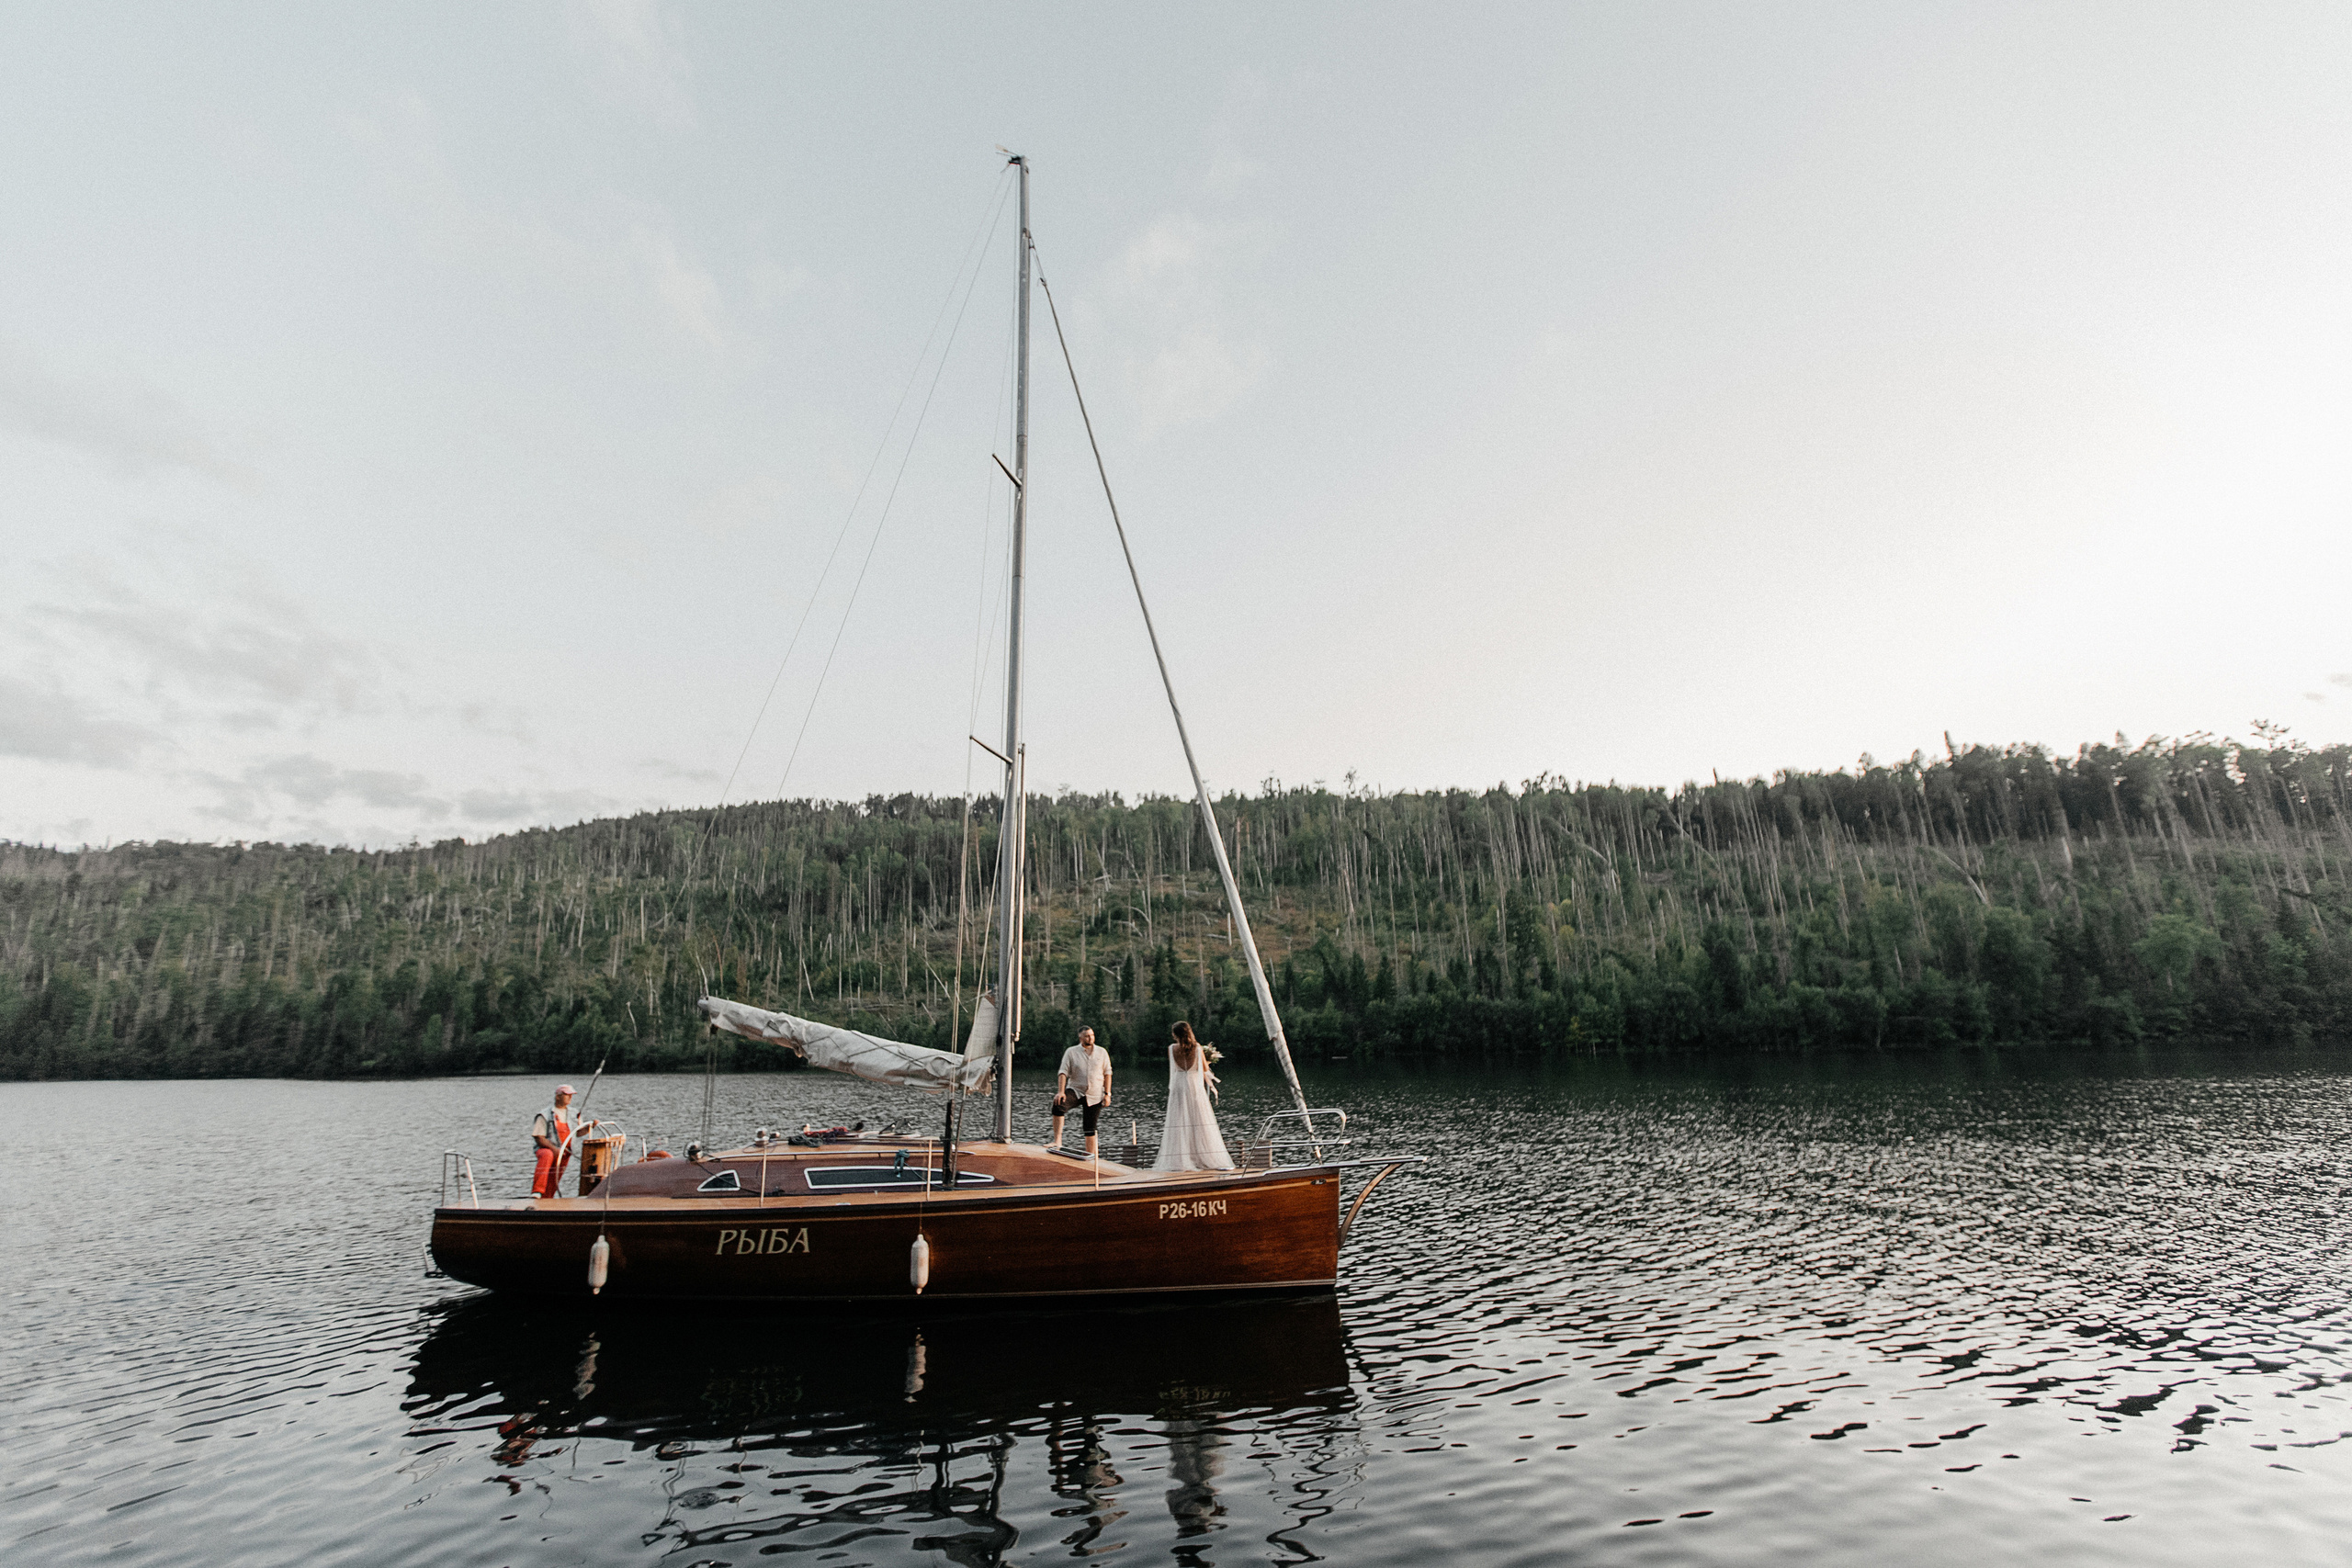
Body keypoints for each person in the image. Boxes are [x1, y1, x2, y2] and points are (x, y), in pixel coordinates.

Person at [1153, 1021, 1234, 1171]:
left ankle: (1181, 1157)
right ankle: (1202, 1155)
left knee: (1179, 1120)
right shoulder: (1197, 1049)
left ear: (1176, 1035)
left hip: (1178, 1085)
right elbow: (1204, 1068)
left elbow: (1175, 1068)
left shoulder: (1171, 1049)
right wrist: (1208, 1058)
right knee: (1199, 1119)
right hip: (1193, 1085)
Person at [1052, 1027, 1113, 1156]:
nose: (1090, 1038)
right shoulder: (1072, 1052)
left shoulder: (1102, 1052)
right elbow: (1063, 1072)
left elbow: (1108, 1073)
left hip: (1095, 1093)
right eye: (1087, 1036)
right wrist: (1061, 1091)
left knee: (1090, 1128)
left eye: (1092, 1035)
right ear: (1081, 1038)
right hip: (1076, 1090)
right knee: (1058, 1105)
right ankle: (1057, 1141)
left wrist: (1108, 1094)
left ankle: (1091, 1156)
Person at [530, 1084, 576, 1198]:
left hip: (565, 1153)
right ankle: (537, 1191)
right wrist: (554, 1149)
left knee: (554, 1179)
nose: (570, 1097)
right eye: (567, 1095)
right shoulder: (545, 1115)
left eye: (571, 1095)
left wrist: (591, 1126)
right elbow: (539, 1137)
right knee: (547, 1155)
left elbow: (578, 1132)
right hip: (546, 1150)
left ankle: (547, 1198)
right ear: (558, 1096)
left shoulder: (574, 1113)